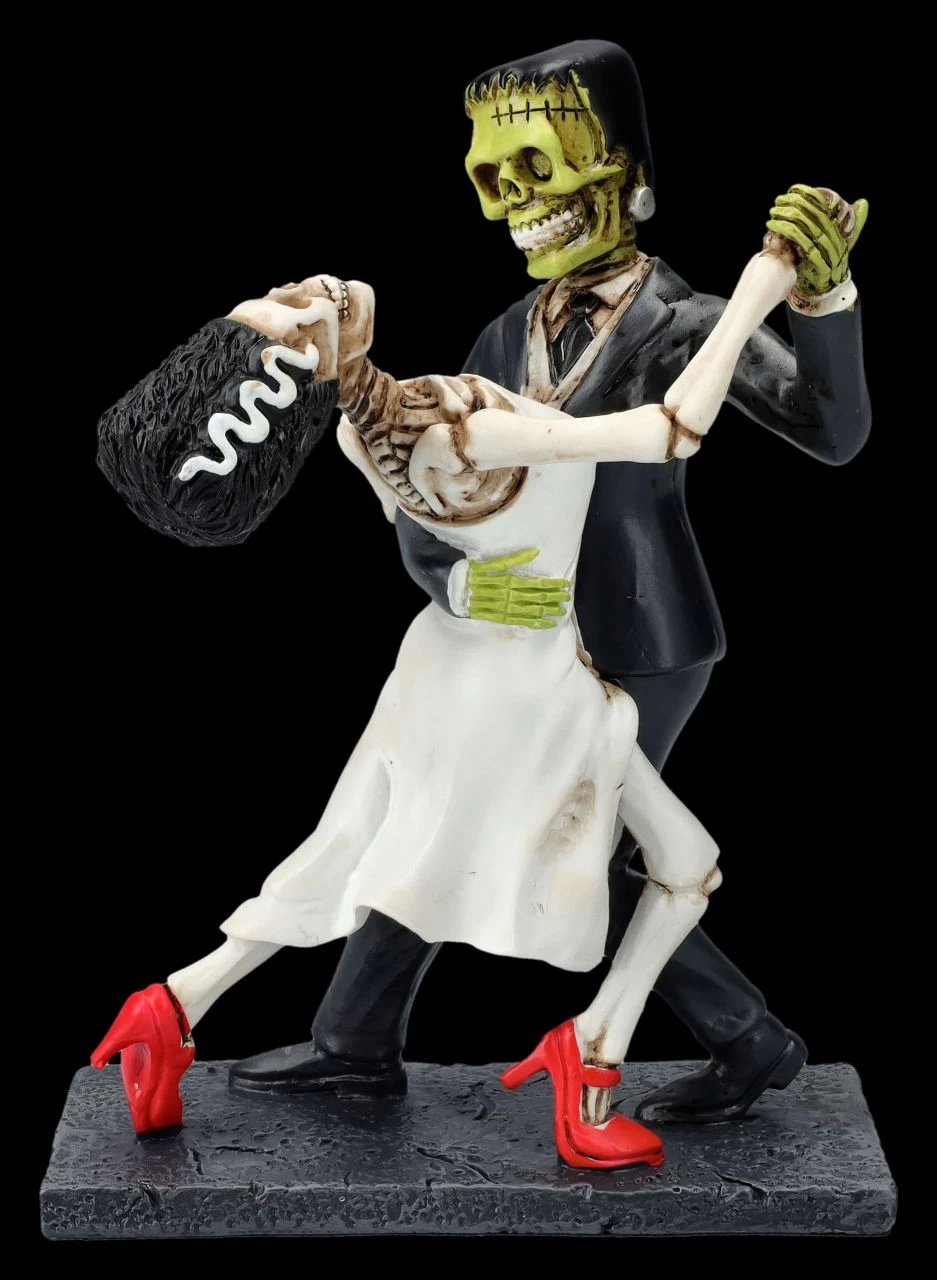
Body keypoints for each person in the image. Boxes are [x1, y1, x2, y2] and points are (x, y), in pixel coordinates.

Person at [234, 40, 870, 1126]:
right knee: (445, 804)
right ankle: (357, 1039)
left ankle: (744, 1038)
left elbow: (831, 430)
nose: (512, 204)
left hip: (638, 628)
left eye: (537, 167)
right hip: (519, 628)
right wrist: (453, 585)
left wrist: (823, 294)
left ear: (625, 171)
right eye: (490, 176)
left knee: (582, 841)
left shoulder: (681, 322)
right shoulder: (504, 333)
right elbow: (437, 490)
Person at [93, 240, 800, 1169]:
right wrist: (759, 286)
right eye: (294, 314)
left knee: (361, 846)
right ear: (303, 370)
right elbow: (670, 429)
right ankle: (587, 1069)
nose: (305, 287)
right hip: (531, 690)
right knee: (671, 867)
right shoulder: (470, 429)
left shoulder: (358, 437)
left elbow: (431, 531)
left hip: (450, 663)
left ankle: (173, 1004)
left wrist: (468, 584)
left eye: (275, 294)